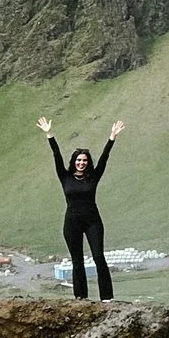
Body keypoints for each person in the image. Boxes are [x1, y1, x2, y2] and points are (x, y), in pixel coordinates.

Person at [38, 115, 123, 301]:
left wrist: (112, 138)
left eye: (84, 160)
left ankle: (107, 298)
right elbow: (56, 155)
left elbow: (104, 159)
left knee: (99, 257)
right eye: (78, 160)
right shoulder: (65, 176)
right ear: (74, 161)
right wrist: (49, 134)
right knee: (77, 261)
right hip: (72, 222)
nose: (82, 163)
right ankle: (81, 297)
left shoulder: (93, 177)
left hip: (93, 221)